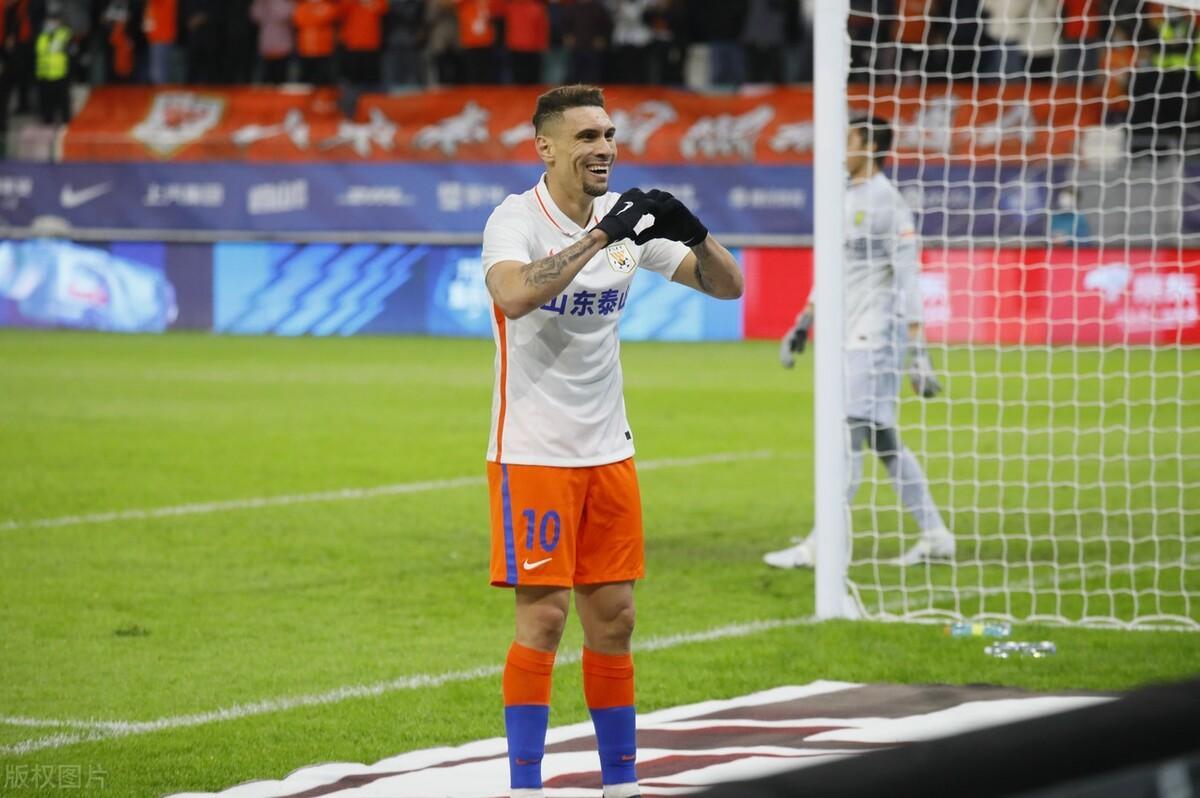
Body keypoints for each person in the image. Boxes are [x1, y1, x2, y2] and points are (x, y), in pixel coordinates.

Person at [481, 84, 743, 798]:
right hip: (533, 451)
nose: (604, 148)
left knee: (616, 620)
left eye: (609, 135)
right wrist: (601, 237)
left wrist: (695, 233)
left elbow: (728, 287)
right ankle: (526, 788)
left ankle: (620, 785)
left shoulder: (628, 223)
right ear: (546, 148)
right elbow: (514, 295)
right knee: (544, 619)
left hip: (609, 450)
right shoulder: (514, 220)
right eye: (587, 137)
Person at [765, 115, 954, 570]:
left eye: (847, 141)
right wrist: (804, 320)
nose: (840, 151)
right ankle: (935, 534)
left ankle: (821, 545)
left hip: (877, 337)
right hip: (848, 334)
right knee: (884, 440)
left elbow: (908, 275)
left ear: (868, 146)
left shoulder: (888, 202)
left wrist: (918, 350)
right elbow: (833, 269)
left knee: (848, 435)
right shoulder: (844, 197)